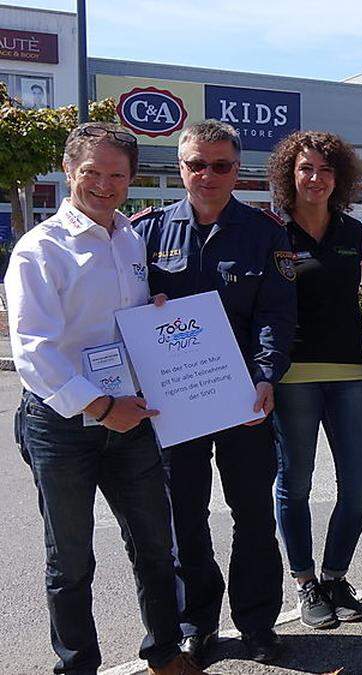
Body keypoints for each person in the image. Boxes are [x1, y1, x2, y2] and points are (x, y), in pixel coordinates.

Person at [7, 123, 207, 675]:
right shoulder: (39, 250)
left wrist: (155, 312)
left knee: (153, 546)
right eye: (92, 172)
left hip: (133, 418)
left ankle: (163, 652)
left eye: (117, 174)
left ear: (131, 177)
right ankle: (77, 667)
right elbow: (34, 353)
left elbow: (124, 322)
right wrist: (100, 408)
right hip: (64, 425)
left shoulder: (130, 238)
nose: (104, 184)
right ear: (70, 172)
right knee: (69, 561)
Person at [133, 119, 296, 664]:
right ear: (180, 167)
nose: (207, 175)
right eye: (195, 164)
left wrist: (267, 376)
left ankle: (256, 622)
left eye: (220, 165)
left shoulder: (265, 232)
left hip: (242, 399)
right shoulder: (147, 232)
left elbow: (276, 314)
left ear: (237, 170)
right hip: (174, 403)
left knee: (251, 512)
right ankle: (195, 621)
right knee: (185, 515)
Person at [265, 131, 362, 629]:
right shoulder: (272, 232)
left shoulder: (354, 233)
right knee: (296, 483)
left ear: (340, 178)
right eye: (306, 168)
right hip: (293, 377)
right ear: (290, 174)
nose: (315, 178)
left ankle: (335, 576)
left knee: (359, 488)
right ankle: (306, 582)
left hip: (351, 370)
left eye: (326, 170)